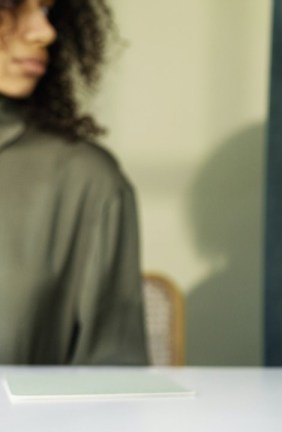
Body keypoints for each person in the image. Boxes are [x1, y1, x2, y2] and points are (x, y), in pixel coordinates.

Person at [0, 0, 147, 364]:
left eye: (48, 12)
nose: (45, 33)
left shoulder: (86, 179)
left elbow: (113, 379)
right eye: (11, 6)